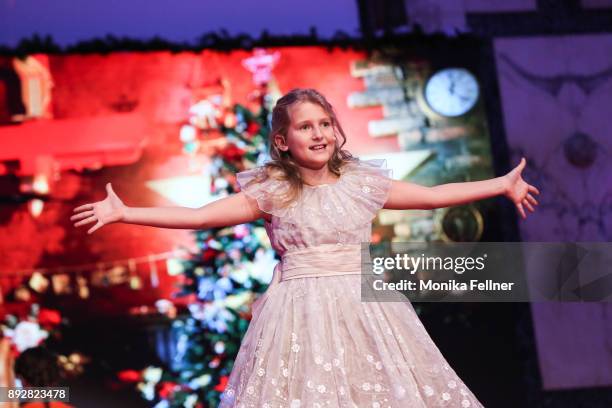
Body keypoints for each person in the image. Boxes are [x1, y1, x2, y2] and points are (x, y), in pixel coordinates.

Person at [71, 88, 539, 407]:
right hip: (299, 310)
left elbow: (433, 197)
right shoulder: (275, 190)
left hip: (366, 307)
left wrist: (500, 185)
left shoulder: (361, 184)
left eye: (325, 124)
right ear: (283, 140)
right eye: (305, 127)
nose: (318, 134)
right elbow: (199, 217)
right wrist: (127, 212)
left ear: (336, 131)